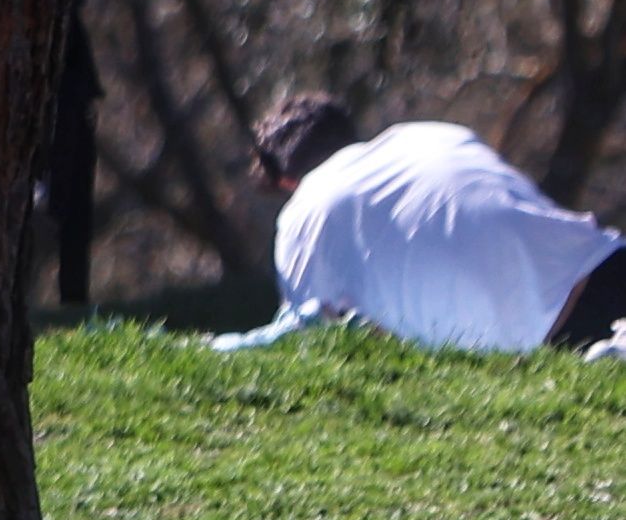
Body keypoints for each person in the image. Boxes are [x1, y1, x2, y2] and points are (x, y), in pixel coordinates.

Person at [243, 95, 626, 356]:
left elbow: (315, 333)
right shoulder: (428, 134)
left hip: (529, 344)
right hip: (597, 270)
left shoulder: (302, 216)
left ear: (286, 183)